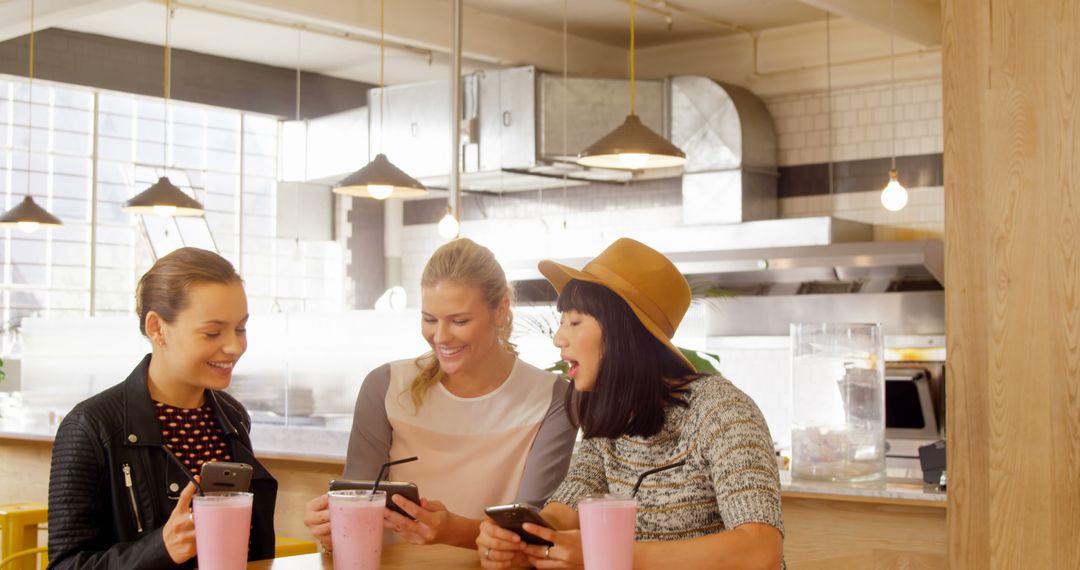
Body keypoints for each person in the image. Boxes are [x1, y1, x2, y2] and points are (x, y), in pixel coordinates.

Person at [476, 238, 785, 570]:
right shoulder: (612, 417)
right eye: (562, 321)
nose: (558, 339)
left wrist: (607, 555)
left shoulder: (722, 412)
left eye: (575, 322)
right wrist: (518, 539)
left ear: (624, 332)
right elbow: (565, 509)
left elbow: (760, 550)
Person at [304, 238, 577, 550]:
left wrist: (453, 531)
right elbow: (355, 507)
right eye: (429, 319)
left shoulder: (553, 398)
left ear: (501, 310)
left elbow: (533, 532)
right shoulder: (385, 386)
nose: (441, 336)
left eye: (459, 321)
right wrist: (331, 527)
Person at [47, 247, 277, 569]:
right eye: (212, 332)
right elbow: (66, 565)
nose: (234, 346)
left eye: (240, 328)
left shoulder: (232, 418)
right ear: (156, 327)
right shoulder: (91, 426)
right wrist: (159, 548)